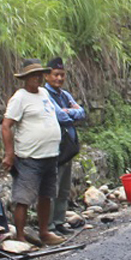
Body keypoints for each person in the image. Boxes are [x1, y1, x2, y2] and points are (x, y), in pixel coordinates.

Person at [2, 58, 67, 247]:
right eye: (33, 76)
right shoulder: (20, 97)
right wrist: (9, 153)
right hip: (30, 156)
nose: (37, 79)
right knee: (23, 197)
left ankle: (44, 231)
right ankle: (20, 236)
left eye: (39, 75)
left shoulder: (45, 93)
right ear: (25, 78)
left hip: (50, 154)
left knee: (46, 195)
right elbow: (7, 126)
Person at [43, 58, 87, 235]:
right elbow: (60, 116)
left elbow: (82, 113)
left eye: (62, 75)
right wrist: (71, 113)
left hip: (68, 147)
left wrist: (73, 112)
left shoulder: (64, 94)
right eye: (56, 75)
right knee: (53, 186)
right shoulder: (45, 95)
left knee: (64, 187)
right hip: (55, 147)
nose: (59, 78)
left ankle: (60, 221)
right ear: (47, 76)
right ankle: (49, 225)